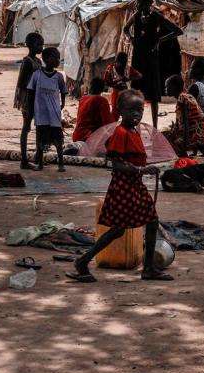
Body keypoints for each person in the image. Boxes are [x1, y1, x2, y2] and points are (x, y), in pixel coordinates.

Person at [66, 90, 170, 284]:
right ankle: (82, 261)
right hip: (124, 187)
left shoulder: (134, 131)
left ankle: (147, 268)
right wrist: (142, 170)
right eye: (131, 110)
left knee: (150, 222)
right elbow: (116, 163)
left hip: (134, 185)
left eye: (139, 110)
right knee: (119, 229)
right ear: (120, 110)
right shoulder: (121, 133)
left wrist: (143, 170)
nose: (137, 115)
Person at [123, 0, 182, 128]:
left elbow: (178, 31)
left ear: (148, 4)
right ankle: (135, 124)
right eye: (138, 4)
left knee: (153, 95)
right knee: (137, 93)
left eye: (140, 4)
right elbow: (125, 29)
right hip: (138, 59)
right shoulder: (136, 16)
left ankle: (154, 126)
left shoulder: (156, 16)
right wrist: (131, 38)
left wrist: (159, 40)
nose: (138, 6)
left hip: (151, 60)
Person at [28, 46, 67, 171]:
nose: (57, 60)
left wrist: (62, 105)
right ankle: (40, 163)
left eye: (58, 58)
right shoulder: (37, 75)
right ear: (46, 59)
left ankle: (61, 164)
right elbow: (31, 92)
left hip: (54, 113)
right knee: (41, 139)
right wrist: (30, 108)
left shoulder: (59, 76)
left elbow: (63, 91)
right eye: (55, 57)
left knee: (57, 139)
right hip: (41, 113)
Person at [14, 32, 44, 169]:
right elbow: (21, 83)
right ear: (31, 45)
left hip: (38, 98)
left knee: (39, 127)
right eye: (39, 45)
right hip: (29, 99)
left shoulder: (38, 62)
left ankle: (38, 156)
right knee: (26, 127)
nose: (41, 48)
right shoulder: (27, 62)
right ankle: (24, 159)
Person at [163, 73, 204, 157]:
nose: (165, 89)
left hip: (198, 134)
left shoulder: (182, 99)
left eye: (167, 87)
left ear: (174, 87)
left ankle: (184, 153)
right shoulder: (188, 96)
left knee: (171, 139)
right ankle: (199, 148)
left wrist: (184, 145)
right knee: (174, 131)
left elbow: (186, 123)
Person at [72, 77, 116, 144]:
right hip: (89, 137)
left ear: (90, 87)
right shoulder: (101, 100)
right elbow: (108, 123)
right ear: (102, 89)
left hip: (77, 135)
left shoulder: (83, 98)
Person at [103, 50, 137, 115]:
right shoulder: (111, 68)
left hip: (121, 91)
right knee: (117, 112)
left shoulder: (124, 69)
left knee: (119, 112)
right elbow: (106, 81)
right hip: (118, 91)